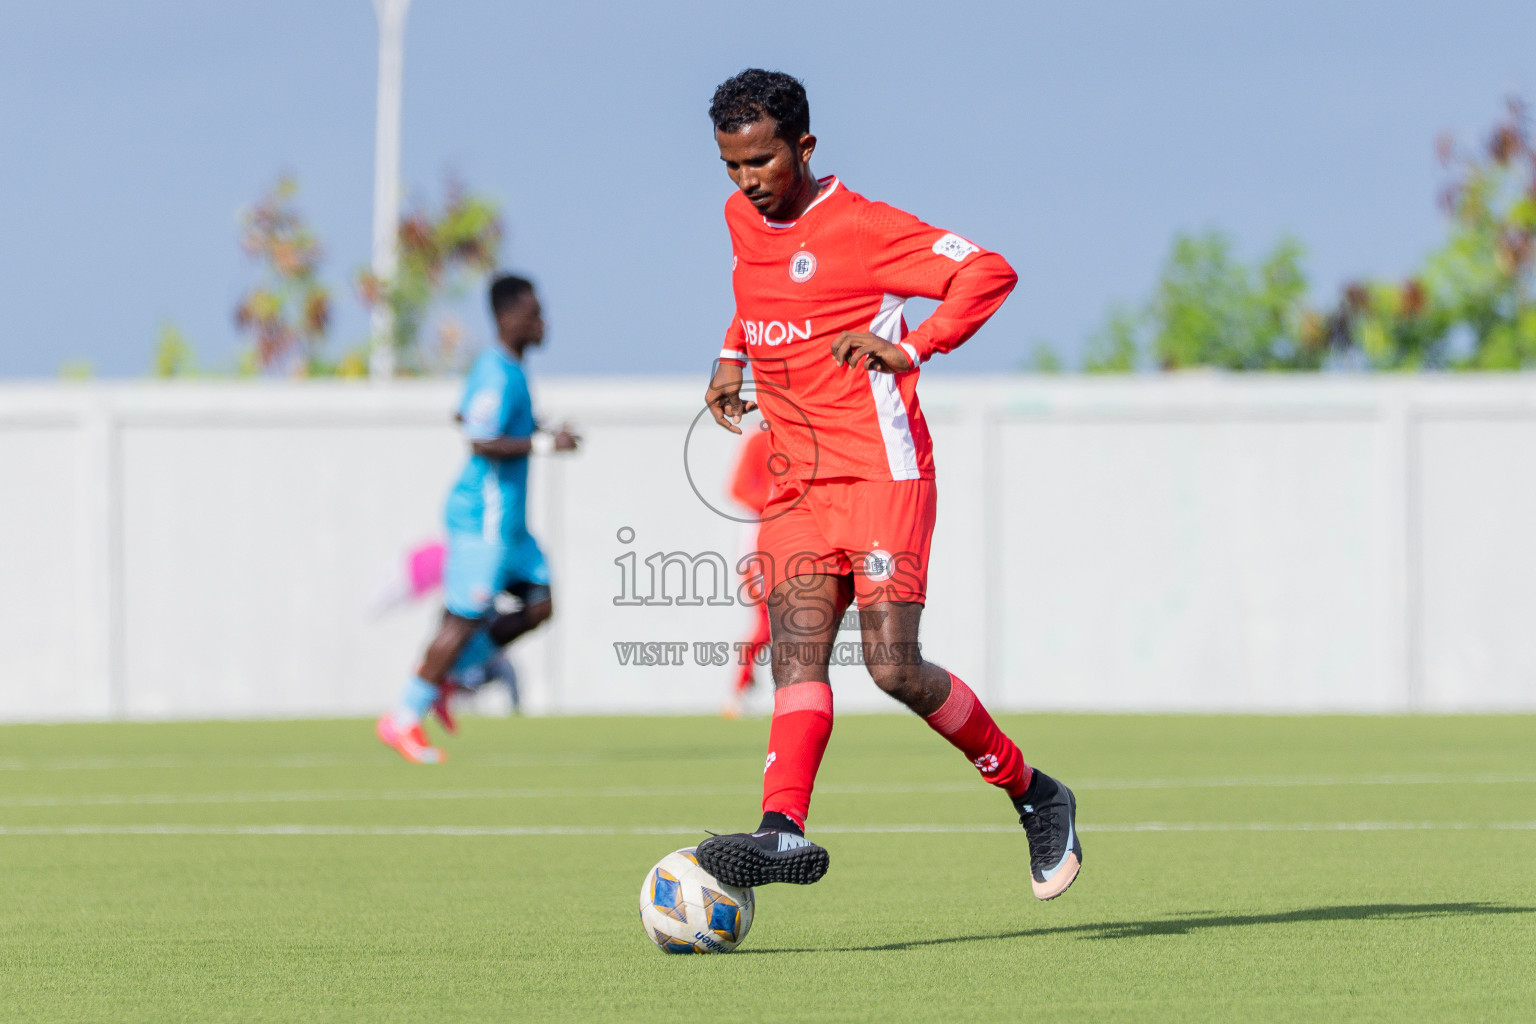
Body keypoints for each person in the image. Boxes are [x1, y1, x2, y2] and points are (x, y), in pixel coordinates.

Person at [694, 70, 1081, 901]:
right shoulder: (741, 216)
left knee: (892, 667)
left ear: (804, 146)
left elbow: (988, 270)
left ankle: (1036, 794)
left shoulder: (867, 229)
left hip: (880, 474)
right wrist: (732, 359)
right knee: (795, 654)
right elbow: (752, 287)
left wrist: (919, 344)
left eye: (761, 162)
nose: (747, 182)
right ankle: (781, 830)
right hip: (796, 481)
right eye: (731, 166)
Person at [376, 275, 578, 763]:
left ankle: (454, 673)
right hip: (482, 521)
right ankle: (403, 717)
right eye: (534, 312)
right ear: (508, 318)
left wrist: (540, 429)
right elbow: (478, 440)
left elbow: (469, 416)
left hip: (509, 524)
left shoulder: (510, 371)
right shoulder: (495, 371)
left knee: (539, 604)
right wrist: (544, 443)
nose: (542, 321)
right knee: (465, 617)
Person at [721, 423, 777, 719]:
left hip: (792, 541)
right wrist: (778, 504)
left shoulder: (806, 436)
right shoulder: (761, 440)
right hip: (759, 546)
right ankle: (738, 690)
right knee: (767, 621)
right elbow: (738, 487)